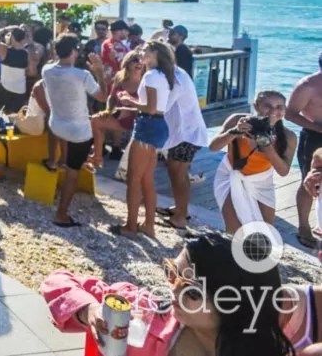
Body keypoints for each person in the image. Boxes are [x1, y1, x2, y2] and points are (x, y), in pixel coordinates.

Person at [42, 229, 303, 356]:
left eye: (192, 291)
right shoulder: (144, 314)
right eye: (172, 273)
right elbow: (58, 281)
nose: (174, 290)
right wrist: (89, 311)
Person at [111, 40, 178, 238]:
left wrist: (129, 100)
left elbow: (150, 107)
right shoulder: (163, 75)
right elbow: (155, 107)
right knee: (147, 180)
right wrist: (132, 104)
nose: (141, 52)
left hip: (147, 125)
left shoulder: (150, 75)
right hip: (158, 125)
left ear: (155, 53)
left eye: (145, 49)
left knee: (133, 179)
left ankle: (130, 226)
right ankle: (149, 225)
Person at [42, 35, 107, 227]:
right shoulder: (82, 75)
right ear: (73, 51)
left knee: (71, 154)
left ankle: (75, 160)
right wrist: (100, 72)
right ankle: (61, 214)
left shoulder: (46, 70)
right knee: (72, 172)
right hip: (78, 132)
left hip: (56, 125)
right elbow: (103, 97)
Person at [208, 90, 295, 234]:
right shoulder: (237, 120)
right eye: (268, 106)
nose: (274, 111)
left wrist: (266, 145)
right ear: (256, 106)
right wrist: (234, 132)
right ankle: (230, 248)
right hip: (231, 175)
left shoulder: (288, 136)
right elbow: (213, 147)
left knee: (264, 231)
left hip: (262, 180)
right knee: (235, 230)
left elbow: (283, 171)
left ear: (285, 110)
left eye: (279, 107)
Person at [155, 64, 210, 231]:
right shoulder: (175, 73)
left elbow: (162, 107)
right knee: (178, 172)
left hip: (187, 134)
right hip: (182, 133)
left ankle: (180, 218)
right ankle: (181, 209)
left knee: (178, 172)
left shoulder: (176, 78)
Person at [289, 52, 322, 248]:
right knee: (308, 181)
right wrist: (317, 128)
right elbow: (290, 113)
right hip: (314, 136)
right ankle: (303, 227)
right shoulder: (307, 86)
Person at [0, 25, 32, 113]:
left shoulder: (4, 50)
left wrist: (6, 29)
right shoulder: (28, 54)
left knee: (1, 114)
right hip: (20, 89)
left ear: (12, 37)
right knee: (18, 116)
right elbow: (31, 72)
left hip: (5, 88)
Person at [99, 19, 130, 83]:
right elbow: (123, 63)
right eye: (126, 31)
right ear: (121, 31)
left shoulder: (108, 43)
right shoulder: (115, 46)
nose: (128, 33)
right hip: (115, 80)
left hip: (114, 79)